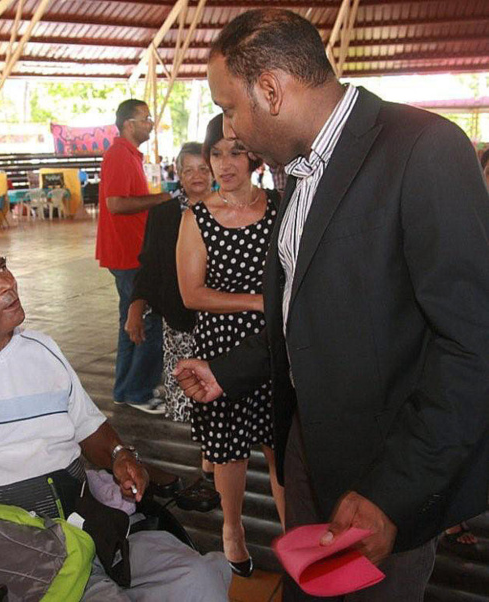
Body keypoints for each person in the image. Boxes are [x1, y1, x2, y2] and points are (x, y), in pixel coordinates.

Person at [175, 9, 489, 601]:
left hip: (386, 466)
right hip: (309, 450)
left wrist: (395, 491)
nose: (230, 130)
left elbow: (473, 342)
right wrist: (229, 371)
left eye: (229, 106)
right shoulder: (299, 166)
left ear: (270, 90)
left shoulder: (423, 148)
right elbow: (309, 306)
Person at [0, 241, 233, 601]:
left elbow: (88, 426)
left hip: (89, 522)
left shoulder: (43, 348)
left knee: (198, 580)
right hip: (9, 548)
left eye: (2, 267)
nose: (7, 283)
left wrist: (119, 454)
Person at [176, 115, 284, 578]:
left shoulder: (281, 206)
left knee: (282, 443)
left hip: (275, 343)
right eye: (216, 153)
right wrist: (260, 301)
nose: (224, 163)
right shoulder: (197, 216)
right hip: (221, 347)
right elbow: (192, 294)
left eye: (235, 151)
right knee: (229, 448)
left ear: (255, 155)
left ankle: (293, 530)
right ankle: (233, 530)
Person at [125, 142, 211, 423]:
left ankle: (215, 461)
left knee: (219, 398)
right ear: (178, 174)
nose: (197, 176)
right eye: (189, 170)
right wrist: (135, 308)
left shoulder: (229, 212)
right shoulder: (164, 215)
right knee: (187, 397)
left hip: (220, 319)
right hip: (179, 321)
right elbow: (149, 265)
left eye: (203, 168)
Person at [96, 99, 171, 413]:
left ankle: (125, 388)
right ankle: (139, 391)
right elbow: (116, 204)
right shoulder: (118, 155)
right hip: (128, 254)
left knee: (130, 321)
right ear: (129, 123)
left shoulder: (128, 156)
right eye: (146, 118)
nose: (151, 123)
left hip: (131, 251)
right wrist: (160, 200)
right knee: (147, 322)